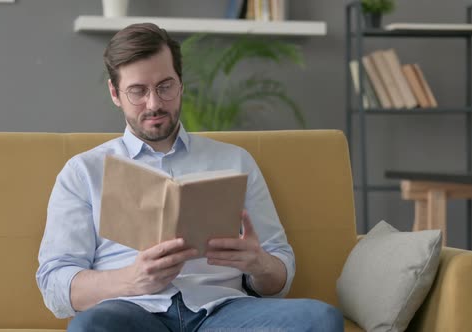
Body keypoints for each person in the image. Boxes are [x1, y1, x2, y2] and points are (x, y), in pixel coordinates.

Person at [36, 22, 343, 332]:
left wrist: (258, 263)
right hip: (132, 311)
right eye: (138, 91)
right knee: (89, 328)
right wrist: (131, 279)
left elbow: (280, 273)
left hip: (223, 312)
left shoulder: (235, 161)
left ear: (180, 84)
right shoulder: (84, 171)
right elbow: (54, 285)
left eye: (165, 86)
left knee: (321, 319)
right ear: (115, 93)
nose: (154, 103)